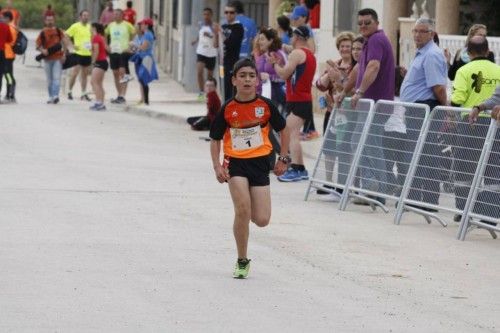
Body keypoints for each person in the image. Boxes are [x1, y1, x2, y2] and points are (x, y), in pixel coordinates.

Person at [209, 58, 290, 279]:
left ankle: (247, 217)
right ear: (234, 80)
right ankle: (242, 260)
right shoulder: (228, 108)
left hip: (261, 162)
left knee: (262, 219)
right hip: (235, 163)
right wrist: (217, 165)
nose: (247, 80)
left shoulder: (265, 106)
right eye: (242, 75)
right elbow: (215, 139)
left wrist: (283, 157)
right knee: (242, 210)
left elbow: (285, 130)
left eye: (251, 76)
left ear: (257, 80)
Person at [338, 8, 395, 204]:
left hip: (375, 105)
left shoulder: (377, 40)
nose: (363, 26)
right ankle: (371, 188)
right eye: (360, 23)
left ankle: (380, 190)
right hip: (368, 105)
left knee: (371, 145)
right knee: (359, 143)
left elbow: (373, 67)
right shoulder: (369, 42)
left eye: (367, 22)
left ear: (377, 23)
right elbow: (358, 69)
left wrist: (360, 91)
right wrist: (345, 91)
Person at [398, 18, 448, 210]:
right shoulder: (423, 53)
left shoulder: (431, 54)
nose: (417, 35)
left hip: (425, 108)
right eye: (415, 31)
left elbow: (438, 87)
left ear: (431, 34)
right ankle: (417, 197)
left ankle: (427, 199)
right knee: (420, 153)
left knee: (426, 154)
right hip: (416, 109)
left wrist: (447, 110)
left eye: (422, 31)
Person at [450, 36, 500, 223]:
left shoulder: (463, 70)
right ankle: (490, 213)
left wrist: (451, 116)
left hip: (470, 124)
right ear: (487, 51)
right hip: (496, 124)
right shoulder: (498, 70)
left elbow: (457, 99)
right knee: (493, 168)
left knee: (464, 167)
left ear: (468, 52)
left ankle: (463, 210)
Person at [269, 26, 316, 182]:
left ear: (296, 37)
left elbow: (283, 74)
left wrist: (274, 63)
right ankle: (300, 169)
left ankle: (297, 169)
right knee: (292, 133)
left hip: (298, 100)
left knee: (291, 135)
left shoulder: (297, 54)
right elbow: (289, 49)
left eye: (292, 36)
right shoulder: (309, 54)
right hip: (303, 99)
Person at [314, 31, 356, 201]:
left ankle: (343, 183)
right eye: (342, 46)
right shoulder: (334, 64)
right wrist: (328, 74)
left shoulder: (356, 66)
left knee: (345, 149)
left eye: (348, 46)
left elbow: (352, 88)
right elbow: (320, 85)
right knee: (329, 148)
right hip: (331, 113)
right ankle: (329, 181)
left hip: (348, 115)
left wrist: (340, 76)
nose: (345, 49)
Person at [288, 5, 318, 140]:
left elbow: (311, 49)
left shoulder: (307, 32)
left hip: (304, 67)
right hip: (301, 65)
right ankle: (308, 128)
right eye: (293, 18)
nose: (294, 21)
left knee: (303, 97)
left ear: (304, 18)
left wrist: (292, 51)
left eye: (297, 18)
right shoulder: (300, 31)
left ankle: (310, 129)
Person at [36, 15, 69, 104]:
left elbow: (65, 42)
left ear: (54, 21)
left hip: (58, 58)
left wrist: (64, 55)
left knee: (56, 78)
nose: (50, 21)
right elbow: (38, 45)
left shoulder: (58, 31)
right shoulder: (43, 32)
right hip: (47, 59)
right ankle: (51, 96)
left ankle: (55, 96)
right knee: (49, 79)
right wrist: (43, 50)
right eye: (48, 20)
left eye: (51, 20)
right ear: (45, 21)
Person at [105, 9, 135, 104]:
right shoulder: (111, 25)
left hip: (123, 52)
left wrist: (130, 44)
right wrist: (107, 45)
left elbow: (134, 33)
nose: (115, 16)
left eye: (117, 14)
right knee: (115, 73)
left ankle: (123, 95)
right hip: (113, 51)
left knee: (123, 73)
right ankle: (119, 95)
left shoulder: (127, 25)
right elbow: (105, 34)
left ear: (122, 15)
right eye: (114, 14)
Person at [129, 18, 158, 105]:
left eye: (142, 24)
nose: (140, 26)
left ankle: (146, 101)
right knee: (141, 79)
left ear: (146, 25)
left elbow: (143, 47)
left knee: (143, 79)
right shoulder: (145, 34)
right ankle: (144, 99)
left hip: (146, 58)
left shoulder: (148, 35)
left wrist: (134, 44)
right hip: (141, 58)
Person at [191, 7, 219, 101]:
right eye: (204, 14)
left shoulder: (214, 26)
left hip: (211, 54)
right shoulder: (201, 25)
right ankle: (201, 93)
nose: (206, 16)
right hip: (201, 52)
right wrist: (195, 40)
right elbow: (200, 35)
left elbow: (216, 44)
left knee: (209, 77)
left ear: (211, 15)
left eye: (208, 14)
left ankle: (209, 94)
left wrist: (214, 34)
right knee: (199, 72)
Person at [65, 10, 92, 101]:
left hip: (87, 53)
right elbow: (66, 35)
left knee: (84, 74)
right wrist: (71, 45)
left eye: (87, 15)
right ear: (80, 17)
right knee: (75, 72)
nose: (86, 17)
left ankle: (83, 93)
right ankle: (69, 91)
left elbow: (93, 38)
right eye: (84, 15)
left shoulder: (90, 27)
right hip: (78, 53)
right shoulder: (75, 26)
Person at [220, 3, 243, 101]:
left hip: (232, 63)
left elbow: (231, 43)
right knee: (222, 87)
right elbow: (216, 44)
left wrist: (220, 33)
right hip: (222, 63)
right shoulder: (223, 26)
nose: (228, 15)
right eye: (226, 12)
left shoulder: (238, 27)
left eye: (231, 12)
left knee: (230, 89)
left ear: (235, 14)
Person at [89, 22, 108, 111]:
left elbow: (96, 51)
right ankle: (101, 103)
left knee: (94, 82)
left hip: (100, 61)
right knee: (99, 83)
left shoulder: (96, 38)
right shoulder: (100, 37)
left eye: (91, 28)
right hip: (103, 61)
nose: (89, 29)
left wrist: (93, 62)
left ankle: (98, 102)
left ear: (94, 28)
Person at [1, 10, 15, 103]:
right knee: (6, 75)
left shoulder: (11, 28)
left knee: (8, 75)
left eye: (3, 17)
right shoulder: (9, 27)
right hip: (5, 54)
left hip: (8, 55)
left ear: (8, 18)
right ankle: (9, 95)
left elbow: (12, 41)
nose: (2, 19)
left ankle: (10, 95)